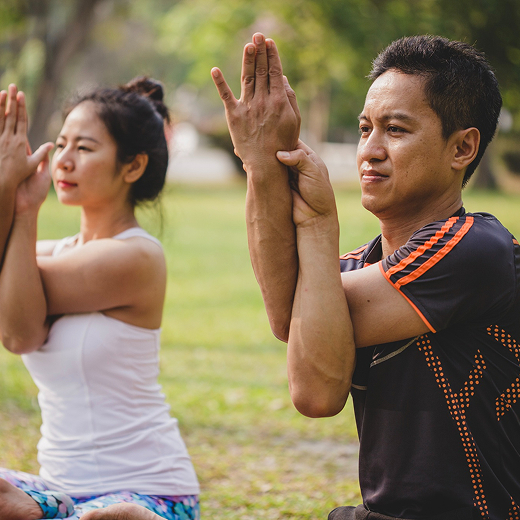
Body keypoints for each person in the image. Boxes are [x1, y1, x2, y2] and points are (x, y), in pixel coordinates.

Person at [212, 33, 520, 519]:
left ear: (462, 148)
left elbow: (304, 347)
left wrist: (315, 225)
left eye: (395, 130)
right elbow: (308, 368)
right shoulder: (358, 267)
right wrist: (261, 164)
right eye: (363, 129)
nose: (369, 151)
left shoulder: (477, 249)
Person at [0, 78, 200, 520]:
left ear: (132, 167)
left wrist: (21, 208)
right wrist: (6, 190)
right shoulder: (54, 253)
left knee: (110, 518)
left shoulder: (137, 257)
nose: (63, 161)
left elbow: (17, 330)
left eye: (85, 149)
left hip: (150, 491)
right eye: (62, 144)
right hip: (59, 489)